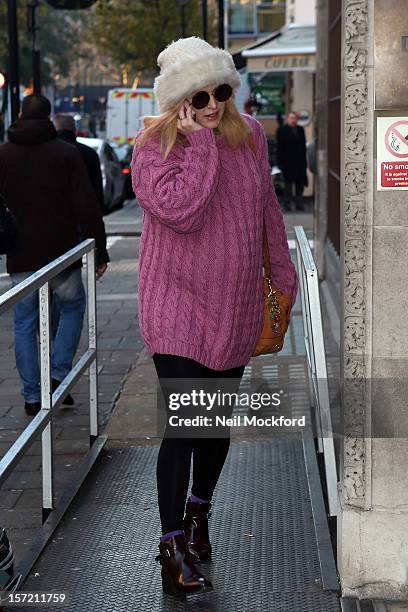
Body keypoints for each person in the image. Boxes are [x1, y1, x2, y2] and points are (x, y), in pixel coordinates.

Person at [131, 36, 297, 598]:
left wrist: (284, 275)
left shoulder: (249, 136)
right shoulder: (152, 145)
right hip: (174, 304)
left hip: (235, 302)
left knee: (214, 424)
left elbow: (265, 211)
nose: (212, 105)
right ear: (179, 98)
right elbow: (180, 210)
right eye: (199, 95)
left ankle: (199, 512)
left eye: (221, 91)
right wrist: (198, 143)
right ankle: (172, 546)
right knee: (186, 425)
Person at [0, 94, 109, 416]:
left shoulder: (3, 155)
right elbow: (87, 206)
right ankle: (58, 374)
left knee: (24, 322)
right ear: (49, 117)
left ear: (20, 114)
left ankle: (32, 394)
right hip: (62, 252)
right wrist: (99, 250)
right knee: (73, 308)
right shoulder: (66, 154)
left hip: (20, 253)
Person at [53, 113, 105, 212]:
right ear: (74, 130)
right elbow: (96, 186)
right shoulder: (89, 153)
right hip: (83, 211)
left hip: (55, 213)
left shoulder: (48, 152)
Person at [276, 111, 308, 211]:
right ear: (288, 119)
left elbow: (303, 147)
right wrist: (280, 163)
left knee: (300, 184)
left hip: (299, 162)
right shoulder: (282, 130)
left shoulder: (300, 129)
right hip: (287, 162)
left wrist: (305, 162)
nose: (293, 120)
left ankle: (299, 203)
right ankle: (287, 203)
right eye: (291, 118)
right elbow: (279, 148)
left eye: (295, 118)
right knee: (288, 185)